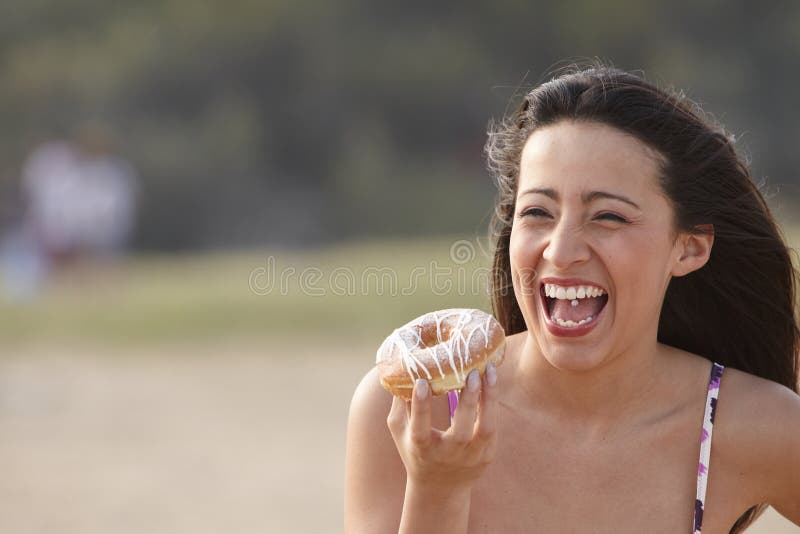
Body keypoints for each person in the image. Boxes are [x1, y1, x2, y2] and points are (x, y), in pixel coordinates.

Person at [344, 64, 800, 533]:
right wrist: (437, 489)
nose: (561, 251)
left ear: (689, 246)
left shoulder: (750, 425)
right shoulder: (410, 413)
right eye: (538, 212)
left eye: (607, 217)